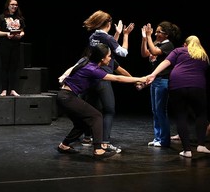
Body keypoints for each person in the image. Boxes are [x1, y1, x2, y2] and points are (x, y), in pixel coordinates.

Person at [57, 43, 147, 159]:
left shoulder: (88, 63)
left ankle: (63, 145)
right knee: (96, 116)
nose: (110, 58)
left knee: (82, 124)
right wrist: (140, 78)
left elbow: (119, 72)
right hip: (67, 97)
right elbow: (117, 78)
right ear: (102, 58)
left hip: (63, 97)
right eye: (109, 56)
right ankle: (98, 149)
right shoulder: (92, 69)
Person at [146, 35, 210, 158]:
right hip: (197, 86)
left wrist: (153, 74)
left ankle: (187, 150)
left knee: (181, 115)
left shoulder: (179, 50)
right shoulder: (203, 55)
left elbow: (166, 62)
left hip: (177, 84)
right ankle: (201, 145)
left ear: (185, 44)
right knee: (201, 114)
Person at [81, 10, 135, 153]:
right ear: (108, 23)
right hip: (103, 77)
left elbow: (107, 46)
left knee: (94, 109)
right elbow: (123, 52)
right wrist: (126, 35)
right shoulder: (107, 37)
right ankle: (104, 143)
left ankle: (87, 137)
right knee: (109, 110)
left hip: (90, 76)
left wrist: (116, 34)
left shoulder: (93, 36)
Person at [140, 21, 181, 148]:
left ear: (167, 34)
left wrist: (148, 37)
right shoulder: (157, 43)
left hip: (163, 80)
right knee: (155, 111)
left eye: (159, 32)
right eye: (156, 31)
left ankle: (164, 140)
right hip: (155, 80)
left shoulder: (168, 45)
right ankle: (158, 138)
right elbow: (145, 53)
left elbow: (154, 51)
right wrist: (144, 39)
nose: (156, 34)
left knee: (160, 111)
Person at [0, 0, 25, 96]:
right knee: (5, 67)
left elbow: (22, 30)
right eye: (12, 4)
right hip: (5, 45)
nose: (14, 6)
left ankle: (12, 89)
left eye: (16, 5)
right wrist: (7, 34)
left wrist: (21, 35)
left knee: (14, 68)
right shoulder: (1, 17)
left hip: (16, 45)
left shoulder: (20, 18)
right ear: (8, 5)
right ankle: (4, 89)